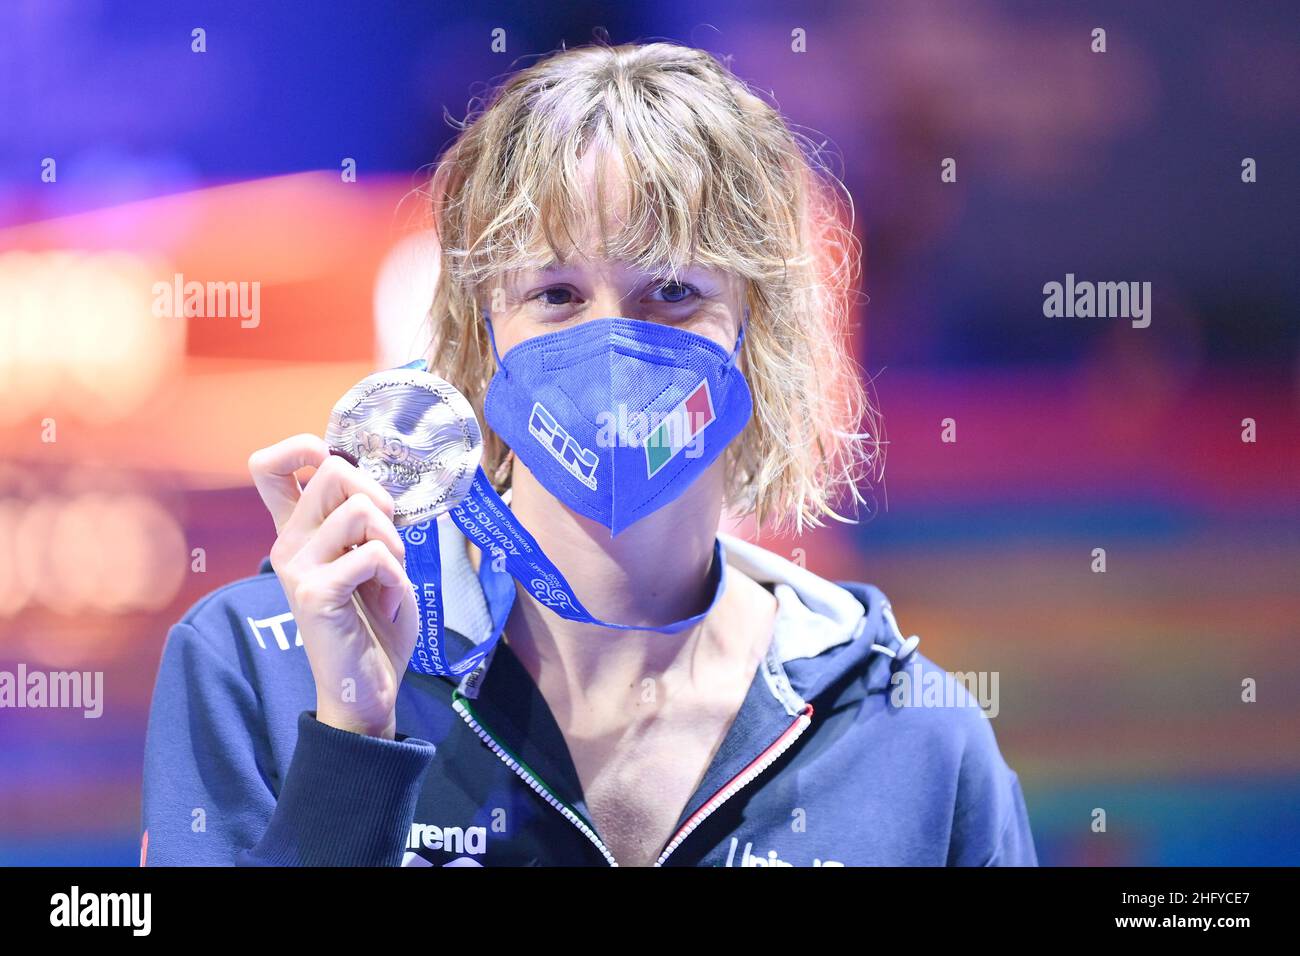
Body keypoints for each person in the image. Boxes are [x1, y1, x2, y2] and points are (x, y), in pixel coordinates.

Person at [141, 40, 1037, 867]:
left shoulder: (913, 739)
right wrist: (353, 745)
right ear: (479, 336)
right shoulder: (256, 666)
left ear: (757, 337)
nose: (612, 346)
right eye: (558, 293)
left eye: (673, 290)